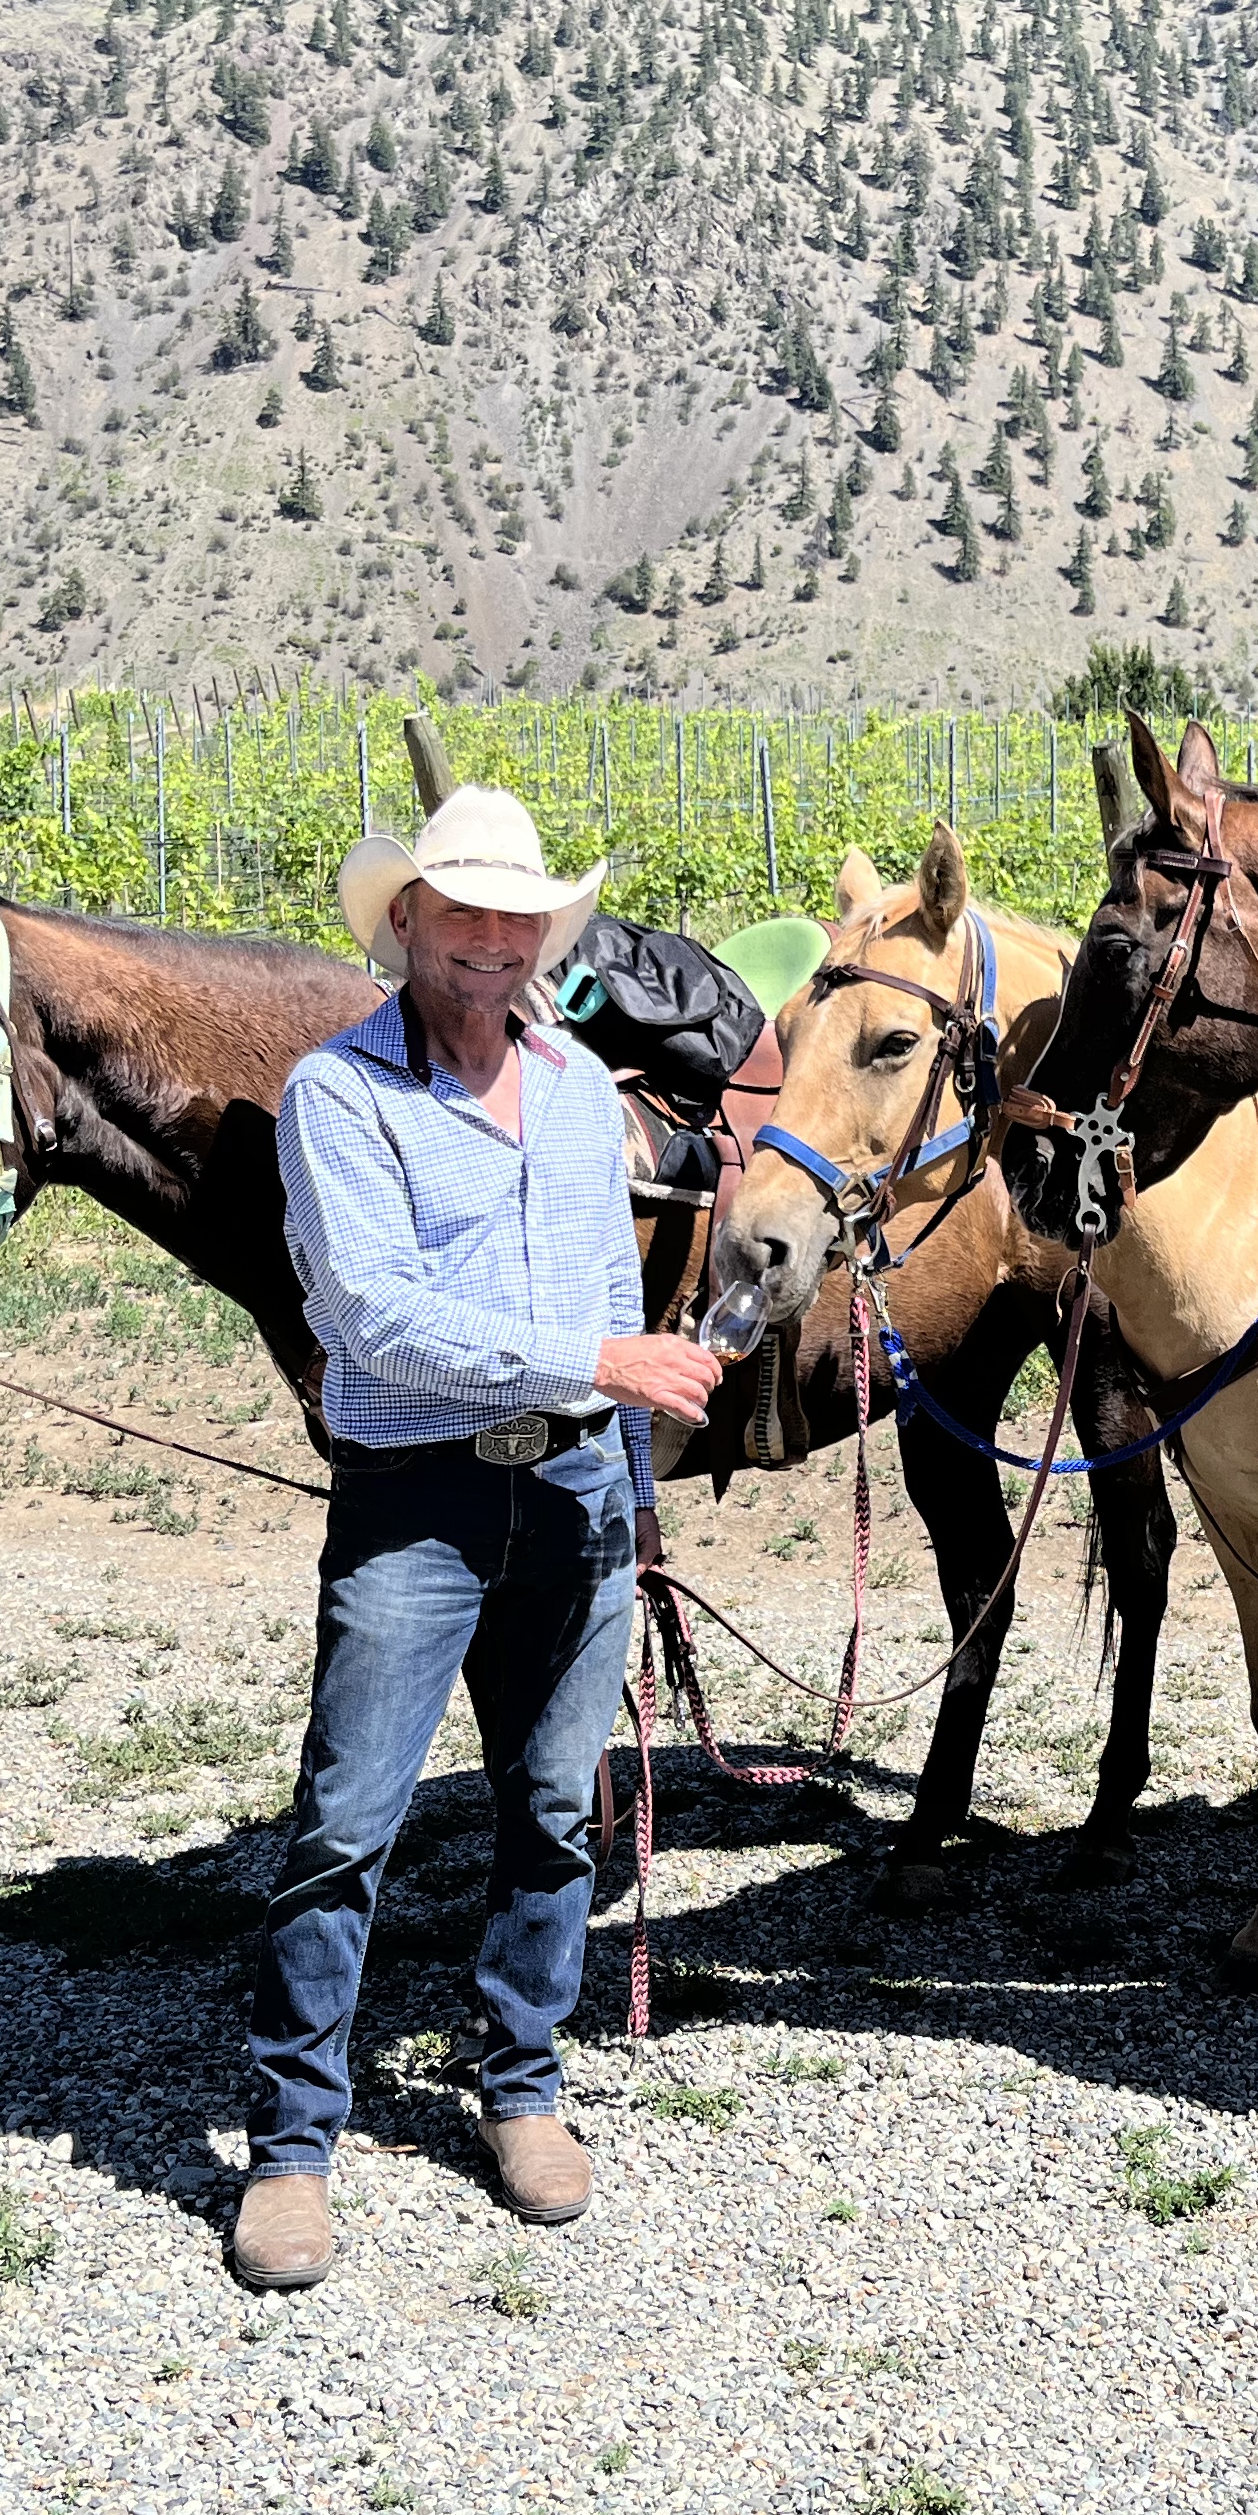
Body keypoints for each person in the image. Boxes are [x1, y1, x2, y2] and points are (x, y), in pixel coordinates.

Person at [232, 788, 724, 2290]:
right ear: (405, 924)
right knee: (345, 1823)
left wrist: (630, 1472)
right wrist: (603, 1364)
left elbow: (607, 1298)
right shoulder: (336, 1095)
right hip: (420, 1500)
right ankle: (293, 2143)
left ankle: (523, 2083)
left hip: (577, 1487)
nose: (493, 945)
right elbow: (372, 1313)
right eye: (463, 915)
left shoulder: (578, 1091)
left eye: (521, 920)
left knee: (555, 1806)